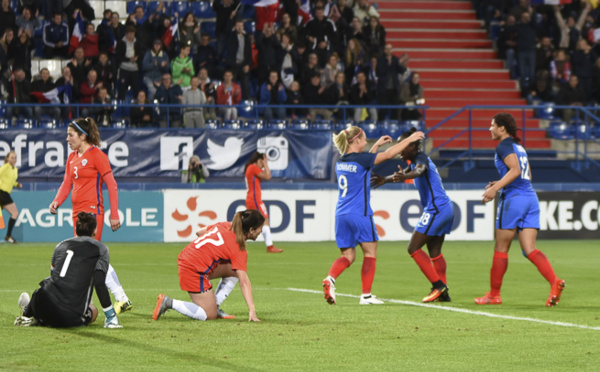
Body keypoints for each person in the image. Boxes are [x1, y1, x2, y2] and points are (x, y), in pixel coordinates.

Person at [322, 127, 425, 305]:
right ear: (355, 141)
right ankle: (366, 296)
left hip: (341, 214)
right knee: (370, 252)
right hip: (359, 213)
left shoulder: (341, 161)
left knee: (348, 256)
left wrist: (376, 146)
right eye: (364, 140)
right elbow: (390, 154)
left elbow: (365, 163)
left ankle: (330, 279)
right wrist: (411, 139)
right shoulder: (361, 159)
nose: (365, 143)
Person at [475, 113, 565, 306]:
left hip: (514, 200)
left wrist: (495, 189)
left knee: (501, 248)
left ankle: (493, 295)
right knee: (529, 249)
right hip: (530, 198)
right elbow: (527, 175)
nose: (489, 129)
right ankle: (555, 282)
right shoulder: (519, 147)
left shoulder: (503, 146)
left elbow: (515, 171)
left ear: (502, 128)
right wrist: (499, 182)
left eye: (492, 125)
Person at [48, 117, 133, 315]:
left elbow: (111, 185)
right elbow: (67, 184)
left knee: (90, 256)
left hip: (93, 211)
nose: (67, 138)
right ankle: (120, 298)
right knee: (92, 257)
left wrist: (114, 213)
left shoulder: (97, 155)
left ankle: (102, 300)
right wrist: (57, 201)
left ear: (82, 136)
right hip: (76, 213)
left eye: (70, 135)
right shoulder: (72, 158)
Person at [371, 128, 453, 303]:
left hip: (436, 209)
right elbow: (408, 172)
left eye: (404, 144)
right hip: (444, 207)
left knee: (413, 248)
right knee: (435, 251)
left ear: (413, 146)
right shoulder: (416, 160)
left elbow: (419, 170)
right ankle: (443, 293)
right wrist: (384, 180)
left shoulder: (421, 159)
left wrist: (405, 176)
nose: (400, 148)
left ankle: (438, 286)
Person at [14, 212, 122, 328]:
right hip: (70, 315)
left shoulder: (61, 245)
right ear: (95, 230)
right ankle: (39, 317)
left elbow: (53, 276)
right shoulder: (100, 248)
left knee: (45, 287)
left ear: (75, 228)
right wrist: (111, 317)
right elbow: (99, 283)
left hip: (43, 300)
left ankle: (29, 313)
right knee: (93, 310)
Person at [152, 210, 264, 322]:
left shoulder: (225, 225)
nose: (261, 231)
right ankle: (169, 302)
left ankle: (215, 305)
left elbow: (199, 232)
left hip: (188, 258)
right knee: (209, 314)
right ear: (251, 230)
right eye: (260, 228)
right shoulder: (238, 247)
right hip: (192, 269)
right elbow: (244, 282)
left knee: (234, 271)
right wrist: (252, 311)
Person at [244, 152, 283, 253]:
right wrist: (266, 164)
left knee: (249, 223)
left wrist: (264, 163)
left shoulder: (250, 168)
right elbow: (268, 176)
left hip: (252, 199)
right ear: (258, 160)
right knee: (264, 220)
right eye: (262, 162)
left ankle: (239, 244)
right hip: (255, 199)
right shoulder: (252, 167)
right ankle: (270, 246)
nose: (262, 165)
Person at [0, 151, 22, 243]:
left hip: (6, 193)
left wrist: (17, 184)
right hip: (1, 193)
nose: (13, 159)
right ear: (7, 158)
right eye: (12, 157)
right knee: (15, 213)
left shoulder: (15, 169)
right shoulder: (5, 167)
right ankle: (8, 236)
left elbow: (11, 181)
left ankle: (8, 236)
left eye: (15, 158)